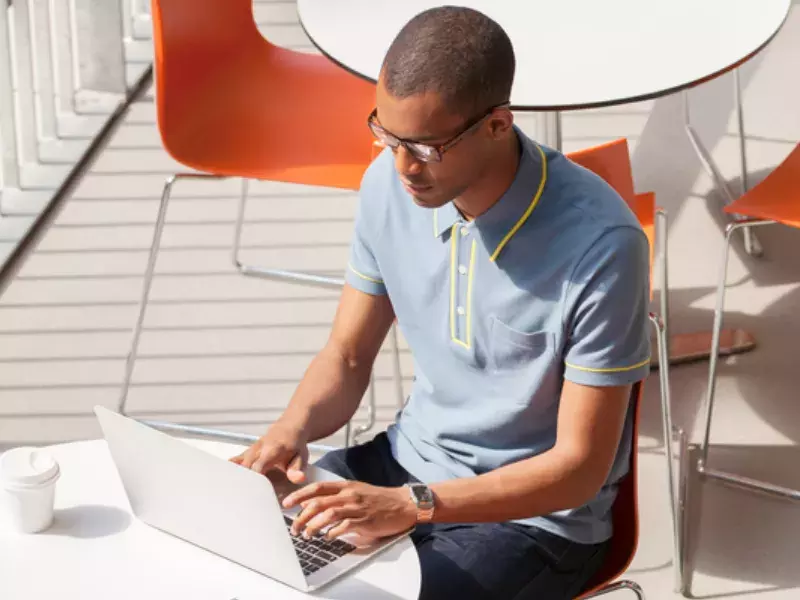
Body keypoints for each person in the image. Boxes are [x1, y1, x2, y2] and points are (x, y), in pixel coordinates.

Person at [232, 6, 650, 599]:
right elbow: (348, 356)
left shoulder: (602, 246)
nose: (403, 168)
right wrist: (289, 430)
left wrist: (413, 506)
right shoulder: (387, 185)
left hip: (533, 523)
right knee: (239, 549)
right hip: (406, 463)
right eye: (388, 135)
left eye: (426, 148)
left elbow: (578, 469)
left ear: (498, 125)